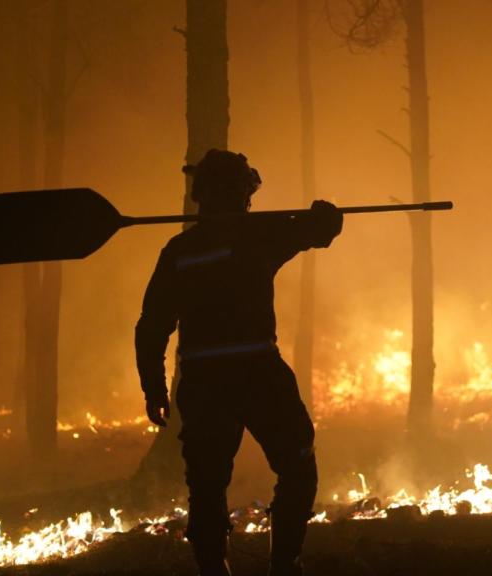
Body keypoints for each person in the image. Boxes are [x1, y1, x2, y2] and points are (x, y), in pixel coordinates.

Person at [135, 149, 343, 576]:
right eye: (245, 191)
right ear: (240, 193)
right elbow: (320, 230)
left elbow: (152, 325)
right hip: (258, 373)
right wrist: (326, 216)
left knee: (207, 487)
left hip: (204, 380)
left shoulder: (180, 250)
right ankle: (285, 565)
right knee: (297, 464)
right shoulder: (259, 236)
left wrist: (154, 386)